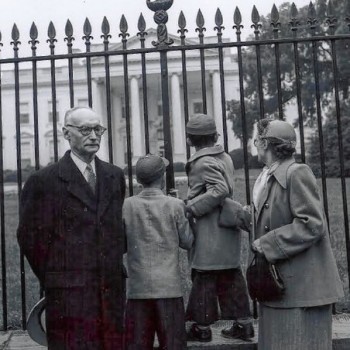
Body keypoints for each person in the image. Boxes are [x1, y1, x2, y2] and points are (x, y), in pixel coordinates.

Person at [17, 106, 127, 350]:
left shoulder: (114, 175)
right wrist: (56, 275)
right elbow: (30, 238)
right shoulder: (43, 181)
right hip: (68, 295)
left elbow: (117, 230)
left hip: (110, 292)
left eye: (98, 129)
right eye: (85, 129)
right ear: (67, 134)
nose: (94, 135)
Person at [249, 118, 344, 350]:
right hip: (281, 287)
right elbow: (268, 217)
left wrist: (268, 244)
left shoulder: (296, 172)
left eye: (255, 140)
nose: (253, 145)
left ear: (264, 144)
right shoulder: (270, 175)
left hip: (301, 289)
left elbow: (311, 223)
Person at [184, 113, 254, 343]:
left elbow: (219, 190)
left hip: (209, 227)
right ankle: (243, 325)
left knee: (204, 274)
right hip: (226, 224)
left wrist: (192, 207)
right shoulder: (224, 156)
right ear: (214, 135)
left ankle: (201, 328)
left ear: (190, 139)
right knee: (231, 273)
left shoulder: (203, 161)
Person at [123, 154, 194, 350]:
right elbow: (187, 241)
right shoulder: (175, 205)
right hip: (168, 288)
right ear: (162, 177)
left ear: (138, 180)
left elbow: (120, 244)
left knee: (137, 345)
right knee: (173, 345)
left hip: (138, 288)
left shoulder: (127, 205)